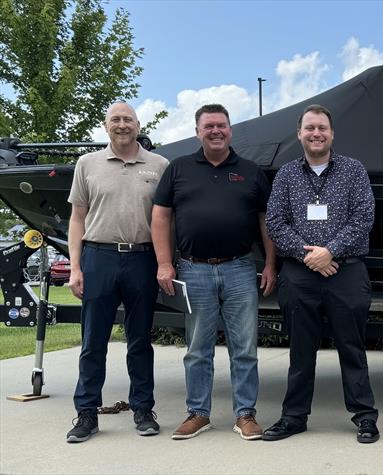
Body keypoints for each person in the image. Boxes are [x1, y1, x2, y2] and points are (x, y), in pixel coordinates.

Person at [151, 103, 276, 441]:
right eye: (209, 126)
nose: (216, 131)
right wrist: (164, 262)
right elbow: (160, 217)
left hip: (239, 269)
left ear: (230, 130)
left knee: (245, 348)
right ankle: (198, 413)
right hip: (194, 270)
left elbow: (267, 222)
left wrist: (269, 262)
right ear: (198, 131)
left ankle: (246, 415)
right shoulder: (178, 168)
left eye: (221, 125)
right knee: (197, 349)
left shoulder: (251, 171)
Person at [265, 104, 379, 444]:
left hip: (347, 272)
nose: (316, 133)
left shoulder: (353, 171)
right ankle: (294, 417)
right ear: (299, 133)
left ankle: (365, 416)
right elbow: (275, 221)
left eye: (323, 128)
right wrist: (310, 255)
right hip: (300, 275)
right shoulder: (286, 175)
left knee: (352, 348)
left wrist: (330, 252)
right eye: (310, 128)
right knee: (300, 351)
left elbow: (364, 218)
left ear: (332, 134)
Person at [66, 101, 168, 443]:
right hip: (99, 257)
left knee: (140, 340)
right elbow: (77, 218)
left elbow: (167, 218)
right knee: (93, 340)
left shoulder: (159, 165)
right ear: (106, 125)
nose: (122, 124)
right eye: (115, 120)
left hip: (142, 259)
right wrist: (75, 267)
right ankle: (86, 414)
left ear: (138, 125)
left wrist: (166, 262)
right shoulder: (87, 164)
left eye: (128, 119)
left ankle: (142, 409)